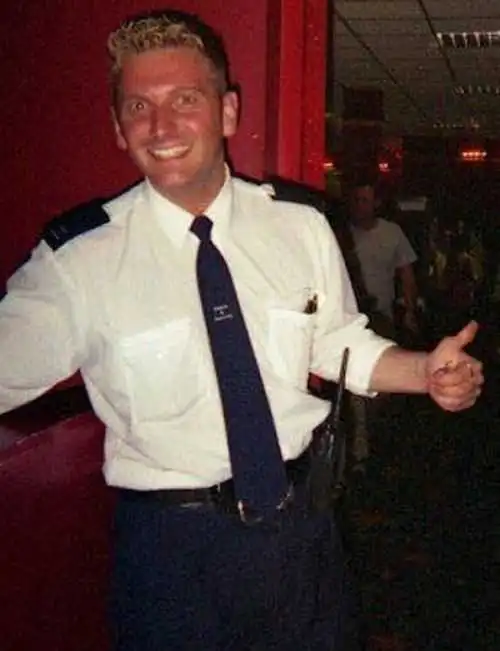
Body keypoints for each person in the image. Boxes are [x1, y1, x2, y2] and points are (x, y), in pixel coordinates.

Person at [0, 9, 483, 651]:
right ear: (118, 128)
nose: (161, 125)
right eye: (139, 106)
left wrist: (426, 372)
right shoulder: (77, 262)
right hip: (174, 555)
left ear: (227, 112)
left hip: (302, 536)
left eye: (185, 100)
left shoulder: (300, 226)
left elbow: (337, 341)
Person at [348, 181, 420, 339]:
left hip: (382, 316)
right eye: (356, 200)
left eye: (364, 200)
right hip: (350, 316)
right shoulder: (344, 235)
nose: (359, 205)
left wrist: (410, 311)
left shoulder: (392, 232)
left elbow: (407, 275)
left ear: (376, 203)